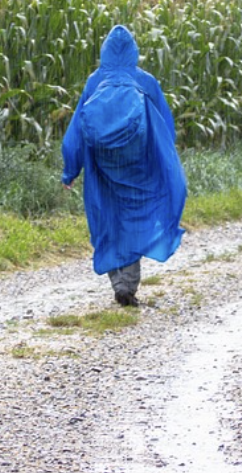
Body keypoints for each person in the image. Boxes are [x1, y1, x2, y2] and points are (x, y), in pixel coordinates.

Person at [61, 25, 186, 307]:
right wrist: (164, 161)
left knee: (108, 220)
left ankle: (119, 283)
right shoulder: (145, 82)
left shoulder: (95, 82)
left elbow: (76, 132)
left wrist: (71, 169)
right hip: (138, 166)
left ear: (104, 51)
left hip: (102, 168)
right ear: (134, 52)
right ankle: (127, 285)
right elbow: (165, 128)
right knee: (136, 217)